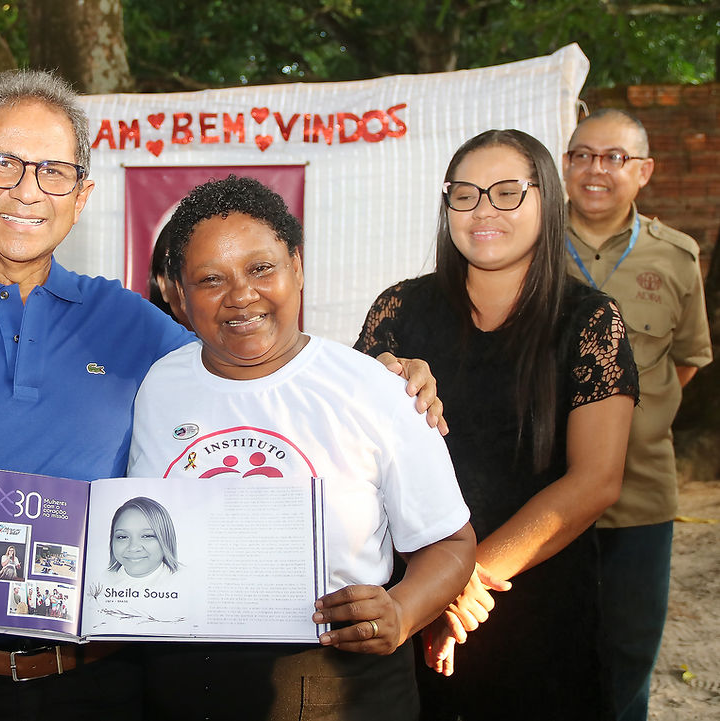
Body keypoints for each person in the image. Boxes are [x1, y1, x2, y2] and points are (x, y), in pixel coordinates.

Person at [0, 68, 442, 720]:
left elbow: (253, 360)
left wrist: (380, 375)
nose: (27, 190)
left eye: (53, 170)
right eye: (2, 163)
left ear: (81, 193)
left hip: (103, 687)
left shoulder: (131, 323)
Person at [127, 175, 476, 721]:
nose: (241, 295)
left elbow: (451, 544)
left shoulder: (378, 389)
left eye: (261, 268)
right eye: (210, 279)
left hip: (340, 685)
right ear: (178, 294)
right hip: (183, 681)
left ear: (297, 265)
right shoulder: (158, 388)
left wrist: (402, 613)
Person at [356, 129, 640, 720]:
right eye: (465, 194)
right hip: (405, 601)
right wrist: (372, 385)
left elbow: (596, 481)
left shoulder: (587, 320)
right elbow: (347, 461)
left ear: (547, 201)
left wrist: (462, 580)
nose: (483, 210)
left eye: (507, 192)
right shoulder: (399, 311)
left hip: (525, 594)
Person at [562, 108, 713, 721]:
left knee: (629, 652)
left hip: (640, 494)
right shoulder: (526, 245)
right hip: (542, 492)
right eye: (582, 154)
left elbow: (687, 361)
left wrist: (632, 422)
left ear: (644, 171)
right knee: (548, 650)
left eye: (613, 157)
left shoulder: (677, 258)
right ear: (565, 163)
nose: (596, 170)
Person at [107, 497, 179, 582]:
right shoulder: (102, 581)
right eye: (122, 537)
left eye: (147, 536)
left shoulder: (187, 583)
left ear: (166, 539)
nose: (133, 547)